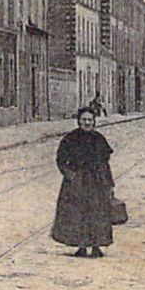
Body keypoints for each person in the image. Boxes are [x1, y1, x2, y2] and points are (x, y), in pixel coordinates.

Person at [51, 107, 116, 258]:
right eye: (84, 120)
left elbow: (105, 164)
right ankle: (80, 245)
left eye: (90, 120)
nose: (87, 123)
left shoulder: (99, 139)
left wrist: (110, 184)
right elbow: (61, 160)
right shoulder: (70, 139)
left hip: (97, 181)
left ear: (94, 122)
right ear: (78, 121)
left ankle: (96, 246)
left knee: (97, 213)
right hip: (77, 182)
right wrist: (70, 175)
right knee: (77, 213)